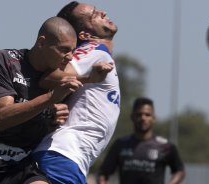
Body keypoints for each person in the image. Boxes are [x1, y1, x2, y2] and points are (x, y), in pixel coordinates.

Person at [0, 16, 83, 184]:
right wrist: (50, 98)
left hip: (21, 167)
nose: (69, 57)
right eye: (63, 49)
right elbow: (1, 118)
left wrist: (53, 122)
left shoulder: (59, 80)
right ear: (41, 42)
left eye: (73, 51)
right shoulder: (5, 60)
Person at [33, 1, 120, 184]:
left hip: (67, 158)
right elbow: (50, 77)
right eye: (94, 15)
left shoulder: (100, 54)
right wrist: (88, 77)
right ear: (85, 35)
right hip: (63, 155)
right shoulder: (94, 50)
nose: (103, 13)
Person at [97, 97, 185, 184]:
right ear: (132, 117)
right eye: (139, 114)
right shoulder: (120, 144)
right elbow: (103, 173)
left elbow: (179, 171)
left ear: (153, 118)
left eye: (147, 115)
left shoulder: (165, 146)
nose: (143, 118)